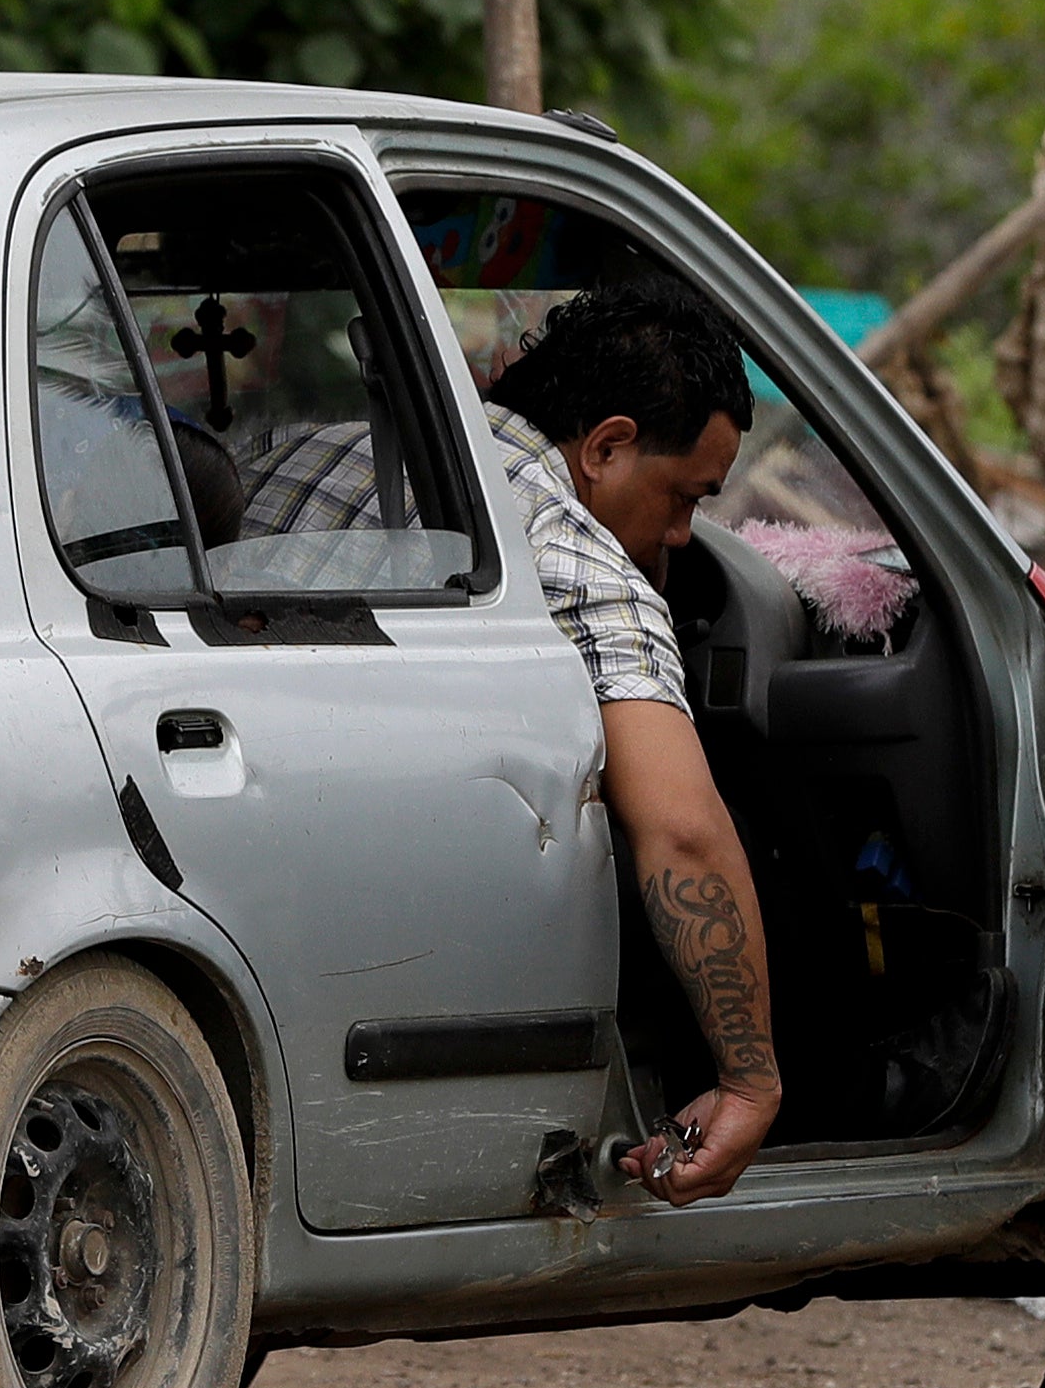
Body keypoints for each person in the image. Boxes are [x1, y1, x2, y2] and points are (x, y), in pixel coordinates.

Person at [243, 281, 780, 1203]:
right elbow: (682, 833)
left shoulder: (308, 454)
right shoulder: (574, 559)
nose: (686, 536)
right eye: (685, 497)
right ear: (607, 447)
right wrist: (748, 1080)